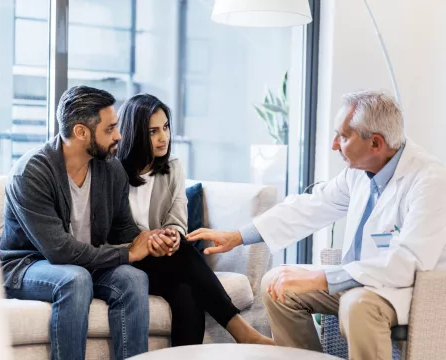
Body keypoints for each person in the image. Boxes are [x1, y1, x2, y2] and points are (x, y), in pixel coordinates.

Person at [187, 90, 446, 359]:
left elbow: (408, 263)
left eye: (344, 137)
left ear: (376, 144)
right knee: (278, 285)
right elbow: (310, 206)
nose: (334, 144)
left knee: (357, 305)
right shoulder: (359, 174)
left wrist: (322, 277)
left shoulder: (429, 181)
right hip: (361, 279)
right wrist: (237, 236)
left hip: (408, 290)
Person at [0, 86, 172, 360]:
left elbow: (122, 230)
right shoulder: (31, 173)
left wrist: (150, 240)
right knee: (75, 280)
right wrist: (127, 252)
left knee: (134, 278)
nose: (118, 136)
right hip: (29, 265)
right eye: (109, 129)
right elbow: (58, 251)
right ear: (81, 132)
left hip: (88, 261)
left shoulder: (110, 168)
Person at [116, 93, 275, 347]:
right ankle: (242, 331)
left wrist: (170, 238)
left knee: (187, 293)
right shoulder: (112, 174)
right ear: (135, 134)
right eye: (153, 131)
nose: (163, 137)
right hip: (129, 263)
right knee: (186, 255)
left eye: (166, 127)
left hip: (165, 259)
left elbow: (177, 220)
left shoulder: (172, 168)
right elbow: (111, 232)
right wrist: (148, 243)